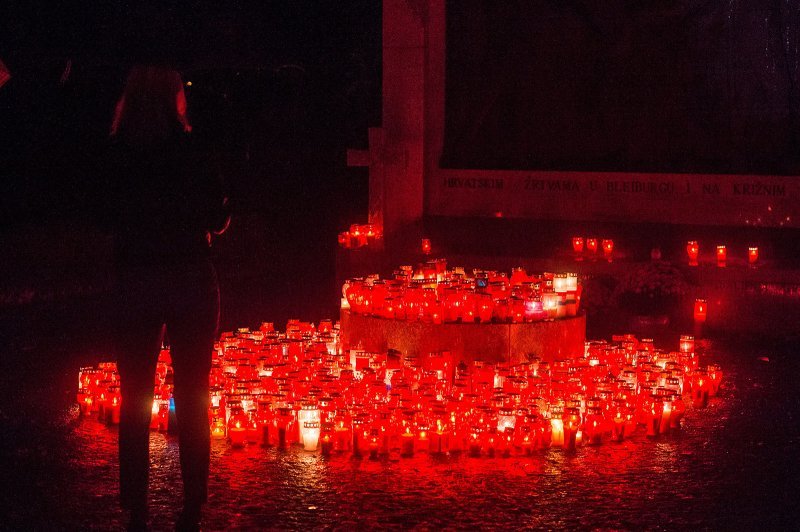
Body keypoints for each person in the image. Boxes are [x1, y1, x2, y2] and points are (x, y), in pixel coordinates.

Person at [106, 65, 229, 531]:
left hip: (136, 278)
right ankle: (192, 504)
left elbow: (102, 215)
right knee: (193, 393)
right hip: (190, 280)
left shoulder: (117, 154)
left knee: (135, 393)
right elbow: (218, 217)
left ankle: (136, 506)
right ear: (175, 101)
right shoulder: (193, 150)